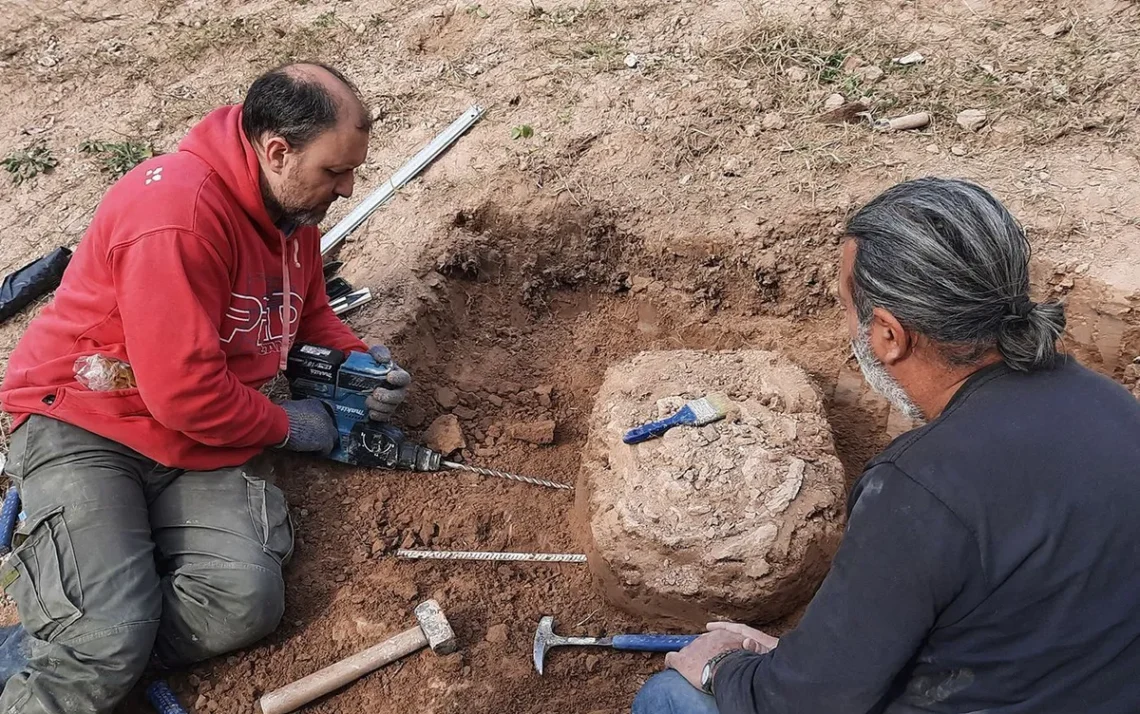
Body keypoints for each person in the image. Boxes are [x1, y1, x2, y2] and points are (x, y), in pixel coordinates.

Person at [634, 177, 1140, 714]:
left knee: (669, 698)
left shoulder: (918, 490)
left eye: (847, 307)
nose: (845, 326)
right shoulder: (1111, 407)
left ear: (890, 335)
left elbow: (808, 703)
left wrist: (721, 666)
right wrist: (809, 654)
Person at [0, 63, 410, 713]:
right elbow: (186, 392)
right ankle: (85, 647)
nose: (348, 187)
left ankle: (78, 636)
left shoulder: (288, 211)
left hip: (194, 433)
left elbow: (307, 314)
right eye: (335, 172)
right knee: (105, 640)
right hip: (88, 418)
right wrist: (291, 426)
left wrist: (360, 365)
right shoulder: (178, 214)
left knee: (244, 600)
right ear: (277, 150)